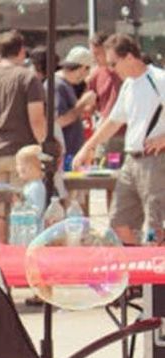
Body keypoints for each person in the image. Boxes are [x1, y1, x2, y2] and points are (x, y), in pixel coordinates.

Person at [74, 34, 165, 243]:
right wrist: (88, 147)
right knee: (118, 222)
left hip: (155, 160)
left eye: (113, 63)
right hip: (131, 160)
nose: (111, 69)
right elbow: (113, 121)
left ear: (130, 57)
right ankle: (137, 259)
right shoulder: (129, 85)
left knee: (155, 224)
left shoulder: (159, 79)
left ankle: (155, 260)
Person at [0, 30, 46, 241]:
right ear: (22, 51)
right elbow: (36, 119)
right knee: (22, 213)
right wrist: (44, 147)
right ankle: (16, 256)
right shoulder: (27, 77)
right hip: (21, 153)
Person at [53, 47, 97, 161]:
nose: (85, 77)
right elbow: (60, 120)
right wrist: (83, 103)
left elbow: (72, 114)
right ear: (82, 68)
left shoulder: (65, 85)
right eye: (87, 72)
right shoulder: (58, 86)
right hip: (65, 153)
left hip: (71, 151)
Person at [87, 32, 125, 153]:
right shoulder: (96, 74)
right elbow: (91, 104)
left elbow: (114, 102)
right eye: (93, 54)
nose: (94, 58)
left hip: (121, 133)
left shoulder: (122, 72)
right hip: (104, 133)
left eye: (98, 53)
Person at [15, 144, 48, 216]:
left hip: (32, 222)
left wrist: (20, 204)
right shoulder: (29, 185)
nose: (18, 168)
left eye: (21, 164)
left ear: (33, 168)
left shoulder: (36, 187)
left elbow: (37, 210)